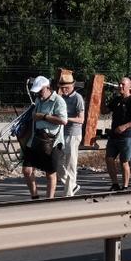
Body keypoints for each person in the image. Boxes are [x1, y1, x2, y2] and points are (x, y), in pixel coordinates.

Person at [23, 75, 66, 200]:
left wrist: (43, 116)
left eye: (40, 91)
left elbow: (63, 121)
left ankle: (49, 199)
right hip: (36, 138)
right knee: (27, 170)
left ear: (47, 87)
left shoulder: (58, 101)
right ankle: (34, 196)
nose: (39, 94)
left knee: (50, 173)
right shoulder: (38, 100)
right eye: (37, 92)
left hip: (52, 141)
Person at [105, 76, 131, 192]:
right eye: (119, 84)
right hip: (113, 136)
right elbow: (104, 110)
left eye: (123, 84)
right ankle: (115, 184)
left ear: (129, 86)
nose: (120, 86)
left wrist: (125, 126)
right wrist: (100, 96)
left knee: (124, 161)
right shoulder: (116, 99)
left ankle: (125, 186)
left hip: (126, 137)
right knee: (109, 159)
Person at [56, 70, 86, 198]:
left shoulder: (77, 98)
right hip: (62, 133)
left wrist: (67, 119)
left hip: (73, 133)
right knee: (57, 162)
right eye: (62, 88)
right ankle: (72, 185)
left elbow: (81, 119)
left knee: (70, 163)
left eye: (66, 87)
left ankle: (68, 193)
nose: (64, 90)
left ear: (73, 86)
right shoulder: (61, 97)